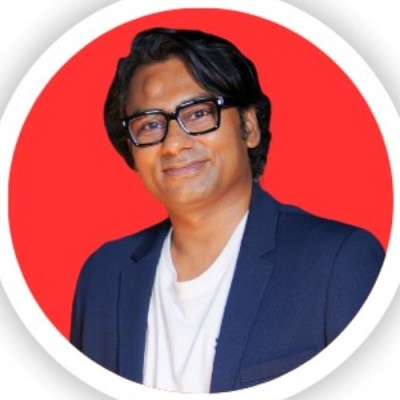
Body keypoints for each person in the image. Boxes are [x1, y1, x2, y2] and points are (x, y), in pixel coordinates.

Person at [70, 27, 385, 393]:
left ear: (248, 126)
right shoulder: (104, 275)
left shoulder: (338, 262)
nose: (173, 144)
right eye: (151, 125)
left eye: (198, 114)